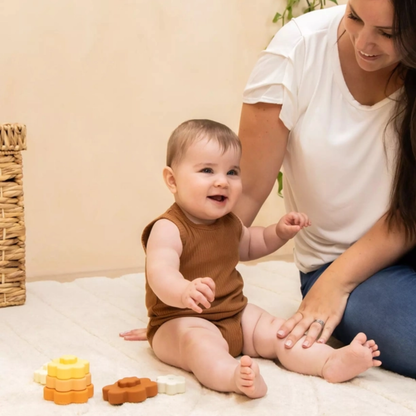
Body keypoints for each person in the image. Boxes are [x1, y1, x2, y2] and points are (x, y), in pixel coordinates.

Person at [121, 119, 381, 399]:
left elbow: (249, 244)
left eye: (232, 172)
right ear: (172, 180)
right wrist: (184, 291)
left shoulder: (229, 222)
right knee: (199, 345)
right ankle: (232, 377)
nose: (222, 180)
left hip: (234, 313)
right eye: (207, 170)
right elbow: (160, 272)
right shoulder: (168, 228)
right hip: (180, 320)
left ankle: (328, 361)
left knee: (277, 330)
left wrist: (279, 233)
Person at [236, 0, 416, 378]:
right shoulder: (298, 50)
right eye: (354, 16)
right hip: (348, 268)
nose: (363, 42)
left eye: (387, 33)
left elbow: (410, 211)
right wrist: (186, 285)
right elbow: (247, 192)